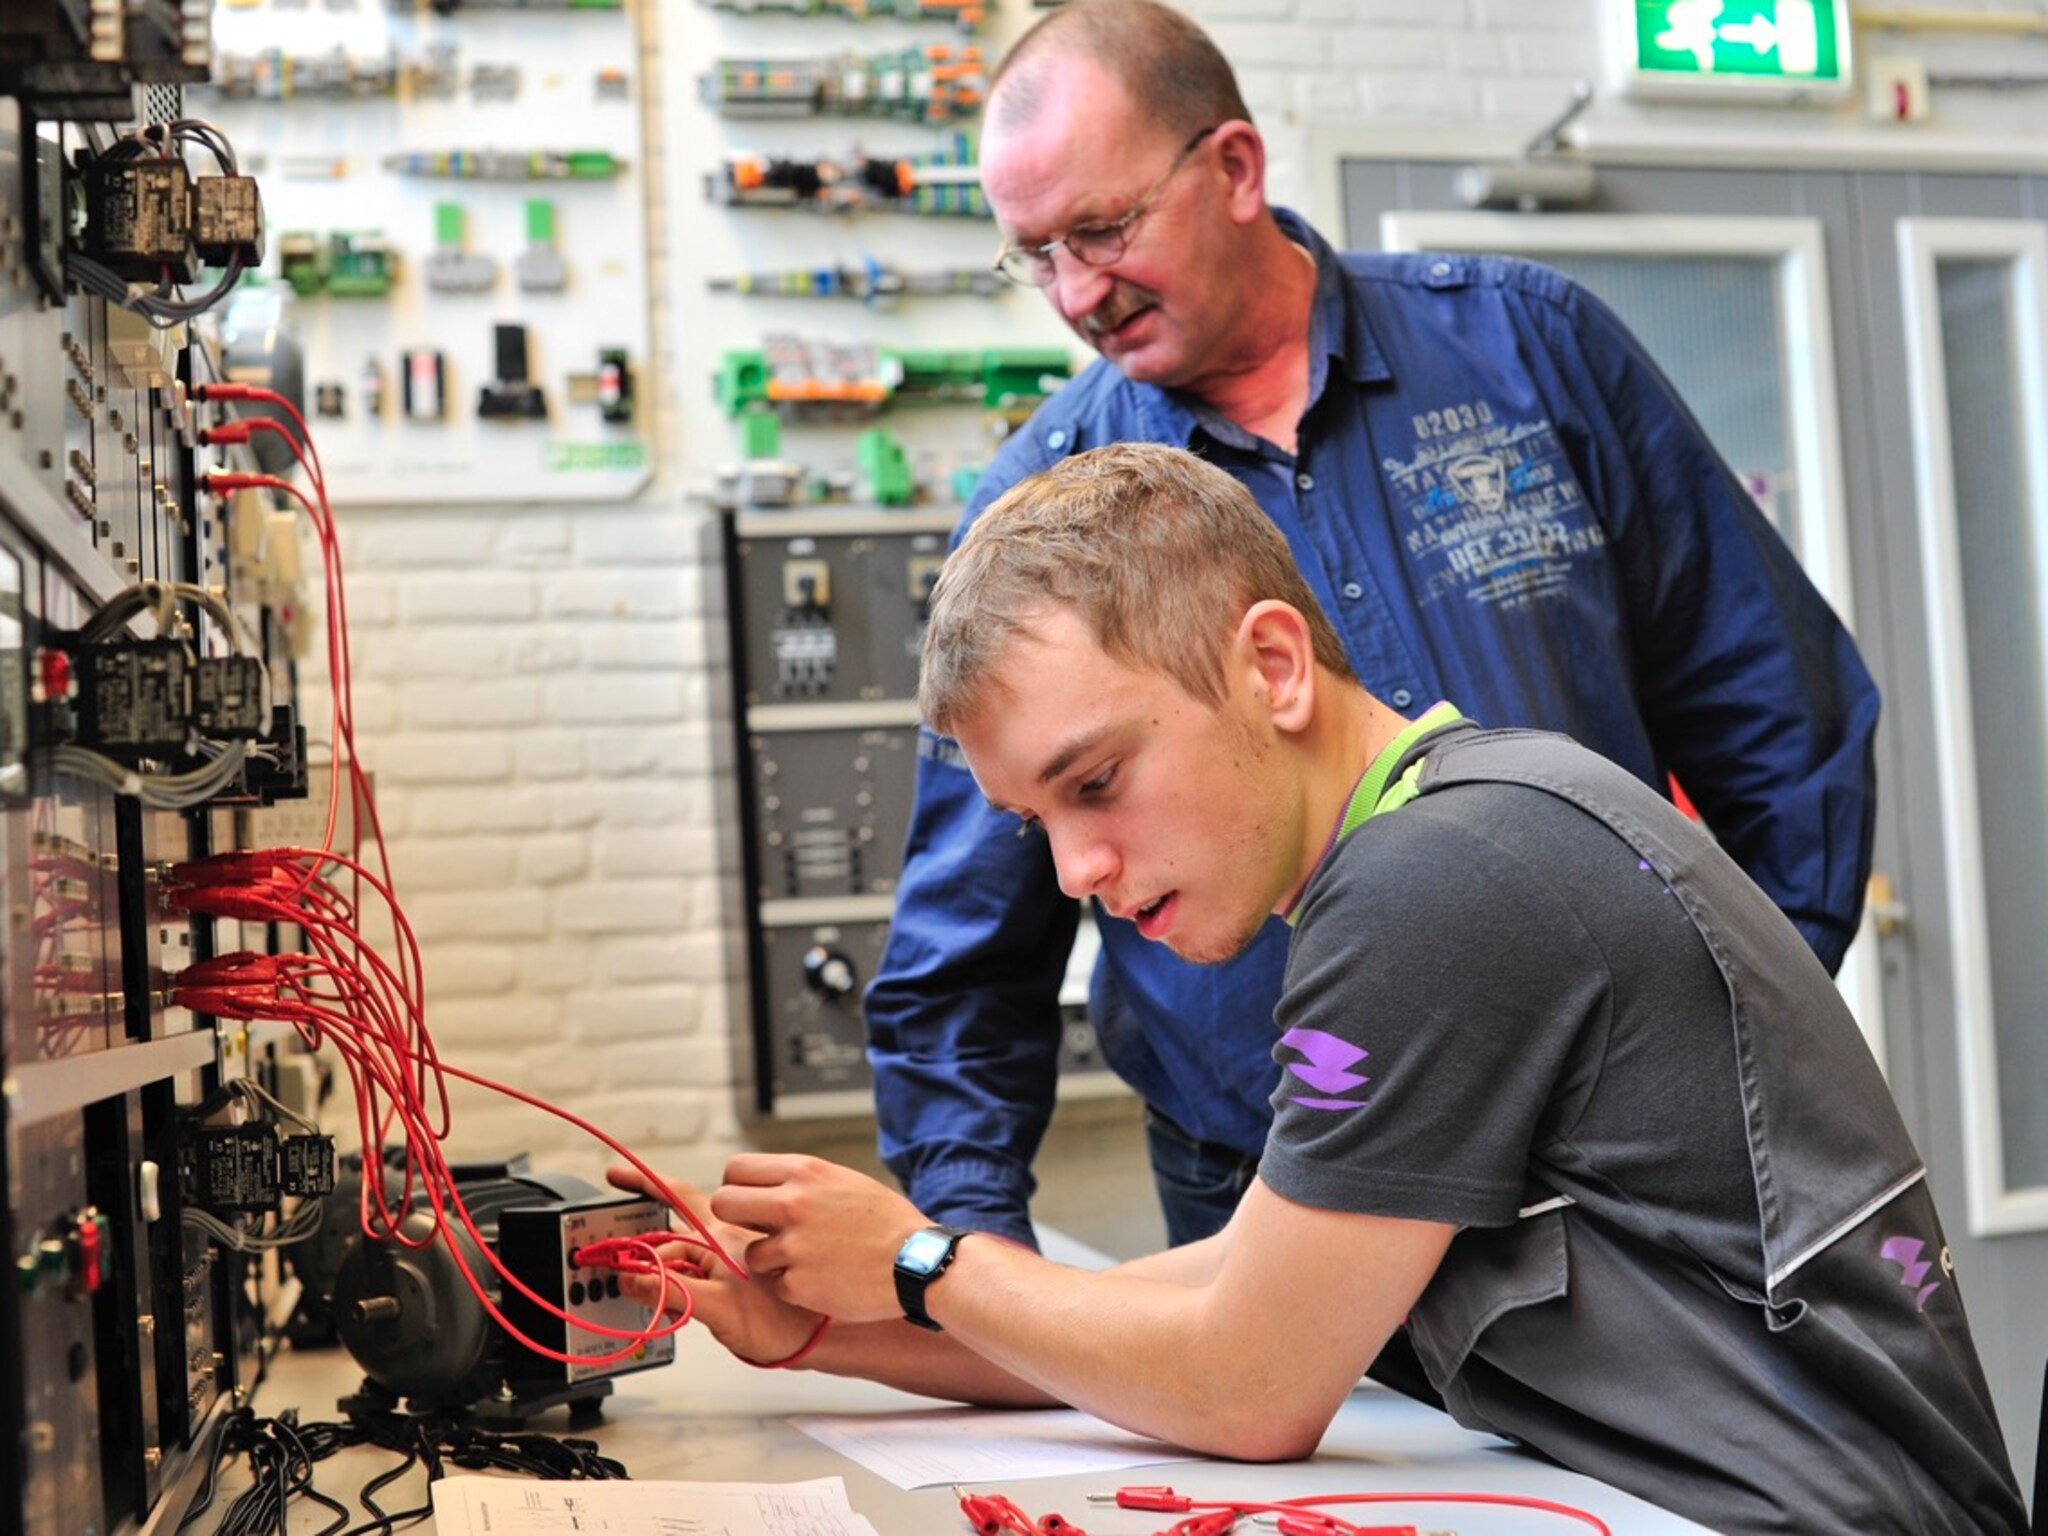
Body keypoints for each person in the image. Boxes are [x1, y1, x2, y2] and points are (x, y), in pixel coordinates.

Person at [615, 444, 2020, 1535]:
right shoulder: (1469, 815)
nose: (1079, 871)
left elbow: (1249, 1384)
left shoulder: (1435, 882)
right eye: (1034, 823)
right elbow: (1229, 1291)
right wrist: (848, 1331)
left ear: (1273, 665)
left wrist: (925, 1261)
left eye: (1097, 783)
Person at [864, 0, 1883, 1252]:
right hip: (1263, 1180)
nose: (1077, 292)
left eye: (1101, 229)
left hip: (1607, 1169)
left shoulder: (1528, 350)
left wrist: (1725, 1040)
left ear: (1233, 167)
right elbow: (966, 940)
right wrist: (972, 1267)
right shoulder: (1042, 504)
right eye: (1036, 255)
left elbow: (1779, 719)